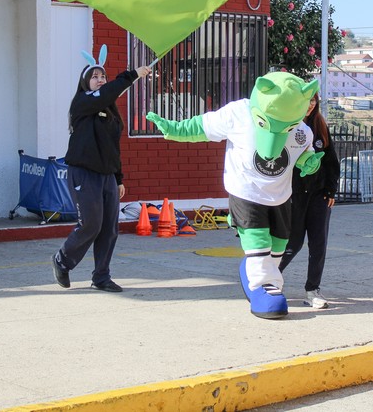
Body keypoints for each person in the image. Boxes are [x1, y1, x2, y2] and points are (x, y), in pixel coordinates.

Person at [147, 71, 324, 319]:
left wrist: (309, 162)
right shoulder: (238, 113)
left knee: (279, 244)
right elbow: (201, 126)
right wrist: (173, 128)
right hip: (245, 191)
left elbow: (302, 154)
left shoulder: (302, 131)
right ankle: (263, 287)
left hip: (280, 195)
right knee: (258, 240)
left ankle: (257, 274)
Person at [51, 45, 152, 293]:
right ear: (86, 82)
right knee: (91, 224)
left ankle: (101, 277)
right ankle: (62, 260)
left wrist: (118, 178)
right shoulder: (82, 103)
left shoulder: (110, 112)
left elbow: (112, 148)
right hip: (83, 173)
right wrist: (132, 74)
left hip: (107, 176)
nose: (100, 80)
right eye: (94, 76)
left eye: (102, 76)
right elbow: (105, 94)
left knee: (109, 229)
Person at [279, 92, 340, 309]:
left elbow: (331, 161)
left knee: (318, 244)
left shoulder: (320, 126)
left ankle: (313, 290)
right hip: (294, 196)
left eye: (313, 100)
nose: (310, 104)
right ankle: (267, 280)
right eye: (306, 100)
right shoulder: (287, 126)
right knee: (293, 243)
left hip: (319, 195)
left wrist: (330, 191)